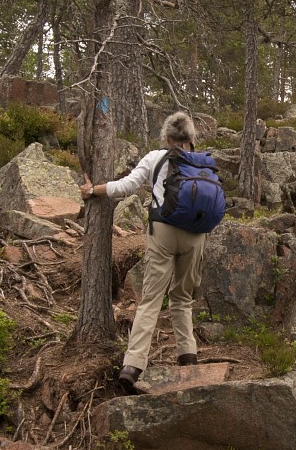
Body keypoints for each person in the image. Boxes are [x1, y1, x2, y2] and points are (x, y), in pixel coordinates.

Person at [79, 112, 205, 384]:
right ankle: (188, 355)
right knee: (182, 297)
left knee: (150, 300)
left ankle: (133, 365)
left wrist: (92, 190)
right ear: (191, 138)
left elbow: (126, 186)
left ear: (167, 137)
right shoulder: (201, 162)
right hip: (195, 235)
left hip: (163, 232)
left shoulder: (155, 158)